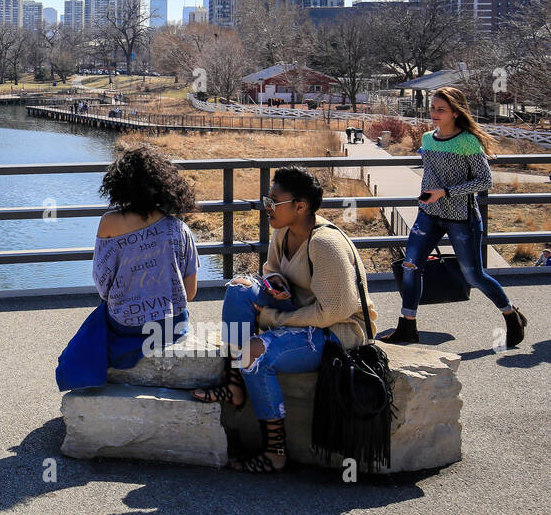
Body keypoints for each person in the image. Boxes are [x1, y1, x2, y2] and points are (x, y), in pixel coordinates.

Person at [193, 166, 376, 474]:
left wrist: (274, 316)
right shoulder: (283, 231)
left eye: (273, 201)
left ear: (300, 206)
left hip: (336, 333)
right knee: (240, 288)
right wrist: (275, 281)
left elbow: (334, 311)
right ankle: (235, 382)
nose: (266, 207)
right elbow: (271, 268)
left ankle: (275, 451)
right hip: (302, 315)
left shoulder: (324, 244)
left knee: (254, 352)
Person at [382, 87, 528, 347]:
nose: (434, 114)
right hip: (429, 213)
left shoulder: (468, 141)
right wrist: (428, 194)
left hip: (461, 217)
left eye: (441, 109)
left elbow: (485, 180)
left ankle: (510, 314)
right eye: (433, 108)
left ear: (455, 112)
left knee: (473, 275)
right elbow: (431, 172)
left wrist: (445, 192)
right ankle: (407, 325)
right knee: (410, 265)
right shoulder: (427, 138)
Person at [58, 145, 200, 387]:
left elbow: (103, 287)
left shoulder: (110, 223)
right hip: (173, 325)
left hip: (127, 326)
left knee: (93, 328)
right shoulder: (179, 228)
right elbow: (191, 293)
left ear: (119, 184)